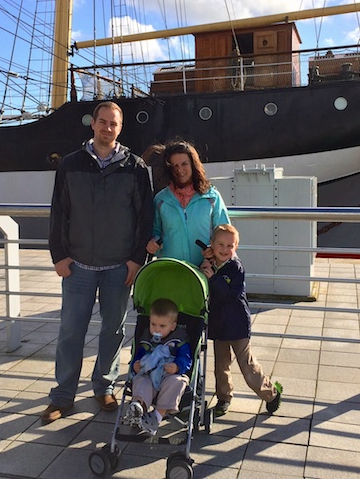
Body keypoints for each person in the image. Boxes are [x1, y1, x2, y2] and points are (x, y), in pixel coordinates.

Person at [43, 101, 154, 423]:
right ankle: (62, 396)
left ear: (120, 128)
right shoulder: (71, 165)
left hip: (119, 266)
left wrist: (136, 261)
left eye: (113, 124)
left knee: (113, 331)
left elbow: (144, 218)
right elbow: (59, 212)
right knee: (70, 332)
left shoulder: (134, 167)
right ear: (93, 124)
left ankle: (103, 386)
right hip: (77, 265)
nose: (107, 128)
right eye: (102, 122)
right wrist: (59, 256)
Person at [201, 223, 282, 417]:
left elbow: (230, 295)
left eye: (230, 246)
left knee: (247, 366)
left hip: (237, 325)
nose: (225, 250)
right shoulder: (209, 265)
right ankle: (223, 398)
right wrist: (204, 268)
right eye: (220, 245)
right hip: (219, 324)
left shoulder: (236, 268)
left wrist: (213, 279)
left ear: (236, 247)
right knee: (221, 366)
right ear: (211, 245)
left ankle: (271, 393)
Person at [145, 139, 230, 267]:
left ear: (193, 165)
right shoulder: (160, 200)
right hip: (172, 270)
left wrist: (213, 250)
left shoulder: (212, 197)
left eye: (184, 164)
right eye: (175, 166)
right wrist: (153, 244)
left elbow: (225, 234)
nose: (180, 170)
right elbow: (155, 233)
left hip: (205, 270)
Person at [122, 298, 192, 435]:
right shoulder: (146, 338)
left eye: (162, 326)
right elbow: (139, 355)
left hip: (168, 374)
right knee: (140, 380)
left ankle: (157, 416)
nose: (156, 329)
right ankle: (138, 407)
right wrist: (136, 365)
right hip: (149, 373)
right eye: (153, 324)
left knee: (178, 382)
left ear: (172, 326)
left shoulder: (179, 339)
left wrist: (177, 367)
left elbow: (186, 358)